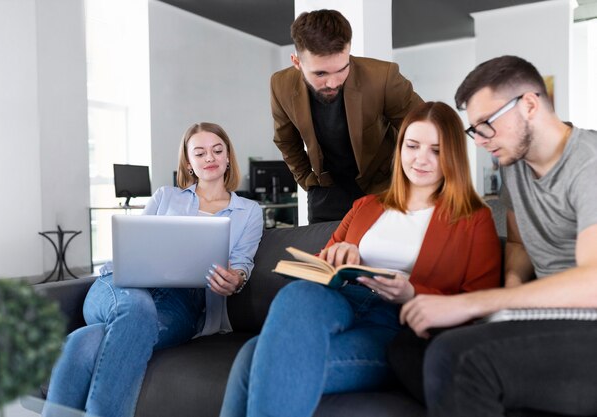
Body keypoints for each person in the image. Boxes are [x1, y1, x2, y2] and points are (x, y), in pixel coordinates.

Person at [219, 101, 501, 417]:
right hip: (339, 299)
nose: (421, 158)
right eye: (412, 145)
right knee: (297, 294)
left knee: (252, 357)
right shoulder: (366, 206)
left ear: (454, 156)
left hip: (394, 323)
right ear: (401, 148)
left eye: (436, 150)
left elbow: (479, 302)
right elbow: (319, 264)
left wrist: (412, 292)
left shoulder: (473, 219)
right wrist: (337, 256)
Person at [399, 56, 597, 416]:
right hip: (550, 318)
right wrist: (510, 292)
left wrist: (477, 303)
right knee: (408, 346)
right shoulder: (515, 167)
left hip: (589, 324)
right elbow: (520, 244)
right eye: (474, 130)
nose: (479, 141)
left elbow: (593, 283)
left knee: (456, 358)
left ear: (530, 105)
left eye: (486, 124)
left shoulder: (589, 163)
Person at [42, 122, 263, 417]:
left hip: (182, 305)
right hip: (121, 286)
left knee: (85, 341)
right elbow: (134, 244)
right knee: (137, 307)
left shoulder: (248, 211)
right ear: (189, 162)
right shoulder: (165, 196)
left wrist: (236, 279)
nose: (209, 158)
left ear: (227, 157)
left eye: (217, 150)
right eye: (200, 152)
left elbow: (242, 264)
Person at [271, 9, 423, 223]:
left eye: (342, 69)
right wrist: (307, 180)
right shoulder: (281, 85)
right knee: (324, 256)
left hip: (382, 186)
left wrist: (410, 181)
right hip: (327, 192)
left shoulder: (383, 77)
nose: (333, 83)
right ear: (297, 62)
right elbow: (286, 140)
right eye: (320, 74)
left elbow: (425, 129)